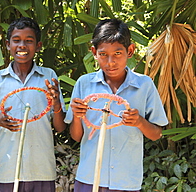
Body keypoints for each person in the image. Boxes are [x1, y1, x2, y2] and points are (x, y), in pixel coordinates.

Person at [65, 19, 169, 191]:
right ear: (94, 52)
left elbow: (157, 134)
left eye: (118, 53)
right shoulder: (84, 84)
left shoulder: (144, 85)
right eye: (103, 54)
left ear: (130, 51)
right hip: (89, 179)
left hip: (125, 181)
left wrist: (139, 122)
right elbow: (76, 137)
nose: (110, 62)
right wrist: (77, 117)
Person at [0, 17, 66, 192]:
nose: (22, 46)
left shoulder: (49, 76)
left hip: (42, 169)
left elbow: (60, 127)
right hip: (8, 169)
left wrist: (56, 105)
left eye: (29, 41)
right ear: (8, 45)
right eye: (16, 40)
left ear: (38, 46)